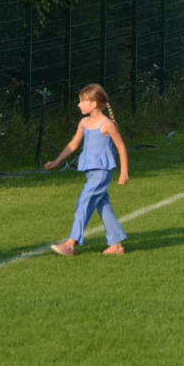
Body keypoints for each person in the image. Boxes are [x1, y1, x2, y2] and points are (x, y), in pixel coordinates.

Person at [45, 84, 129, 256]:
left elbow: (121, 147)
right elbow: (73, 144)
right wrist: (56, 161)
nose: (79, 104)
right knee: (102, 205)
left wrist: (124, 172)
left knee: (83, 203)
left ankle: (70, 243)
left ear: (94, 103)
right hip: (90, 173)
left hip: (102, 173)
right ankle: (116, 245)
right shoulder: (83, 123)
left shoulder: (107, 125)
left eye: (82, 101)